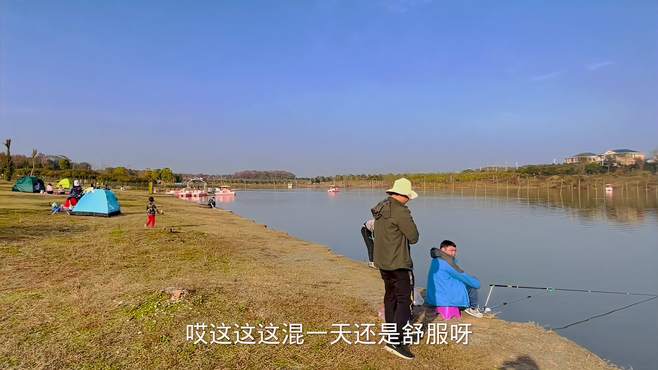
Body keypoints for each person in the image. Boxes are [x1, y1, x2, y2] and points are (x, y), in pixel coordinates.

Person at [371, 178, 419, 360]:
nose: (409, 200)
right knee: (403, 301)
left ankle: (390, 334)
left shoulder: (381, 207)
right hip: (397, 262)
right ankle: (395, 341)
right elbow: (414, 236)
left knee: (390, 296)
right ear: (404, 195)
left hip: (383, 261)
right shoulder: (400, 211)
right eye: (408, 196)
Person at [426, 240, 483, 318]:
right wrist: (477, 283)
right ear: (443, 250)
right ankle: (473, 308)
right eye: (451, 250)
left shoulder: (436, 260)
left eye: (455, 251)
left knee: (464, 282)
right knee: (472, 284)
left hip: (433, 298)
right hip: (445, 300)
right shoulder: (448, 262)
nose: (453, 253)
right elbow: (463, 276)